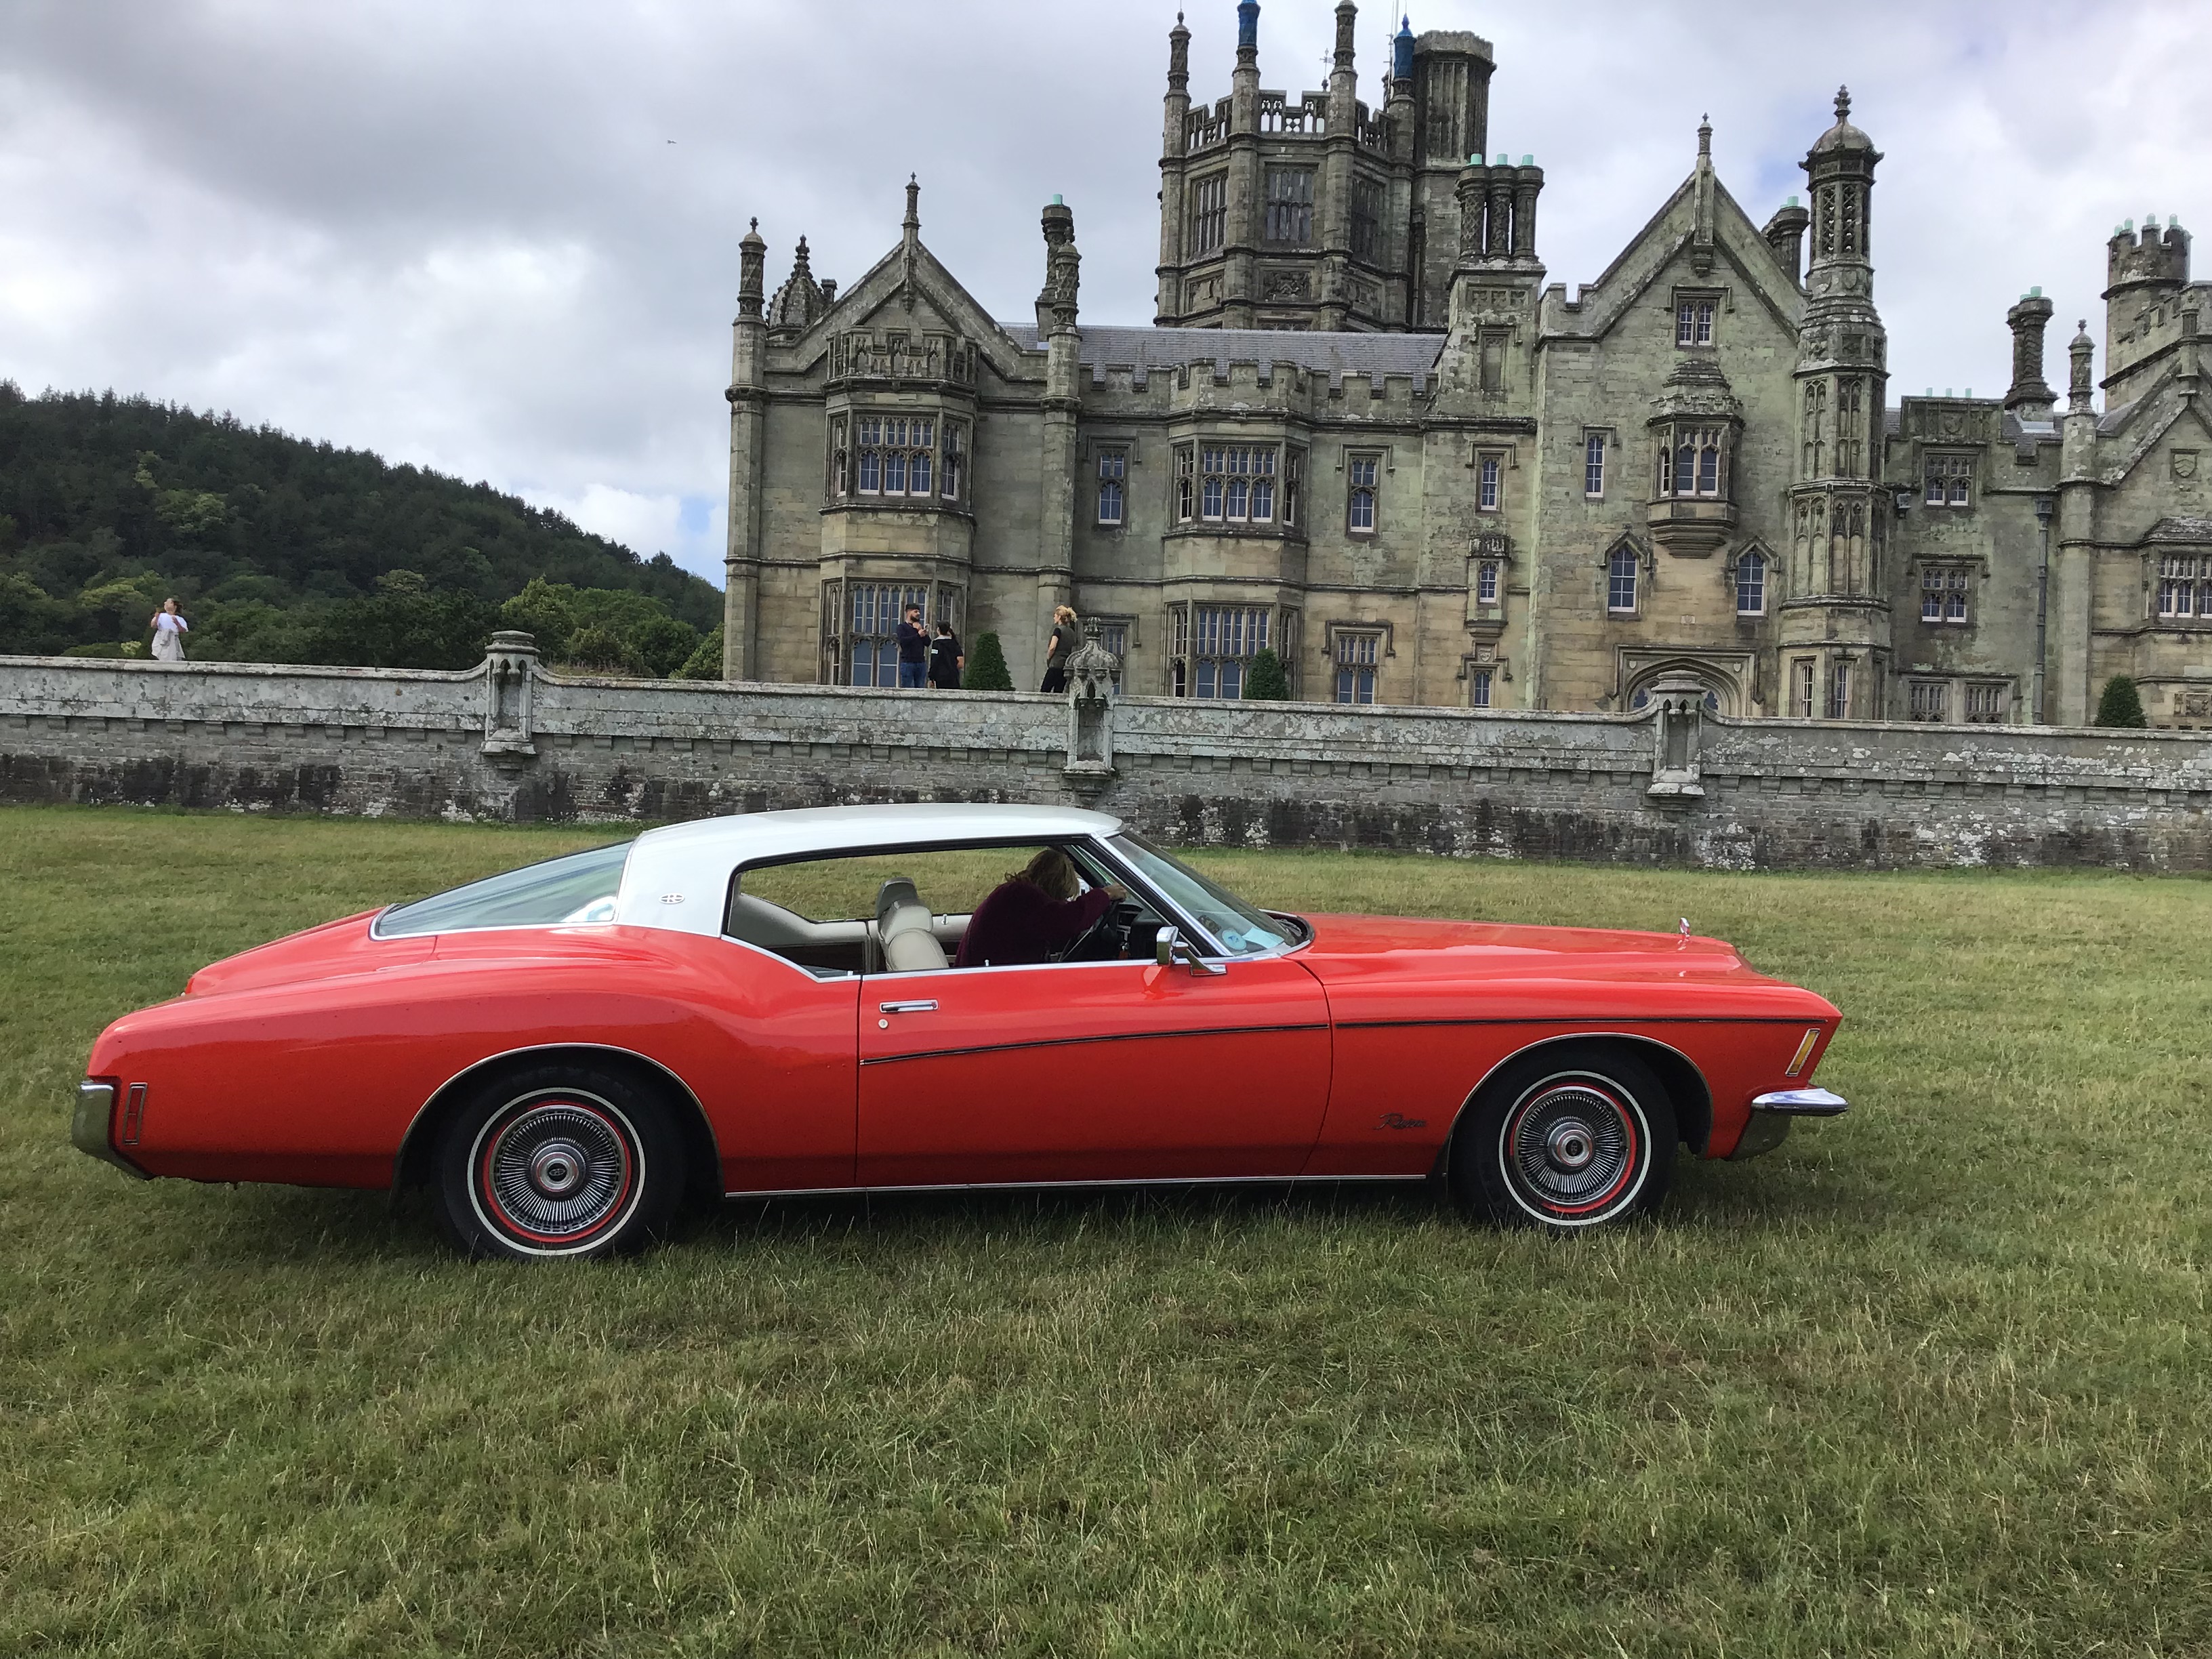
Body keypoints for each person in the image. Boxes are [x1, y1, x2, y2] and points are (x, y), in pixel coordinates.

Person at [956, 848, 1126, 968]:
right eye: (1063, 896)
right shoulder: (1023, 895)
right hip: (991, 981)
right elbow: (1066, 921)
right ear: (1056, 884)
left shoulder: (1016, 893)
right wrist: (1105, 895)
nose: (1063, 901)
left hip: (989, 974)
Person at [1040, 604, 1079, 694]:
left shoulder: (1058, 630)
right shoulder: (1072, 633)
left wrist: (1049, 658)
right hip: (1066, 666)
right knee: (1059, 692)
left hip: (1056, 664)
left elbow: (1052, 647)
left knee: (1044, 691)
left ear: (1059, 617)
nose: (1054, 617)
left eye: (1055, 616)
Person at [894, 605, 928, 689]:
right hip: (908, 662)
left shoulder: (919, 628)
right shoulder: (902, 627)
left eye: (919, 612)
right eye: (915, 612)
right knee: (906, 688)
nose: (918, 614)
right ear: (908, 612)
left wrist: (920, 630)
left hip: (921, 662)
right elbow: (903, 641)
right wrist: (918, 635)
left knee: (920, 688)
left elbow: (928, 643)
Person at [148, 598, 190, 662]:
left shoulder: (180, 619)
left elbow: (183, 630)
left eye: (169, 602)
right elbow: (153, 626)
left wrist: (177, 623)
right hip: (162, 638)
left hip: (172, 639)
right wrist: (157, 618)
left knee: (172, 656)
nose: (166, 603)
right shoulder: (161, 616)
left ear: (175, 606)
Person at [928, 620, 964, 691]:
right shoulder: (954, 644)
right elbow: (960, 662)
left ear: (938, 630)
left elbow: (935, 660)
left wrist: (931, 676)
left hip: (941, 676)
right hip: (953, 675)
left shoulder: (937, 644)